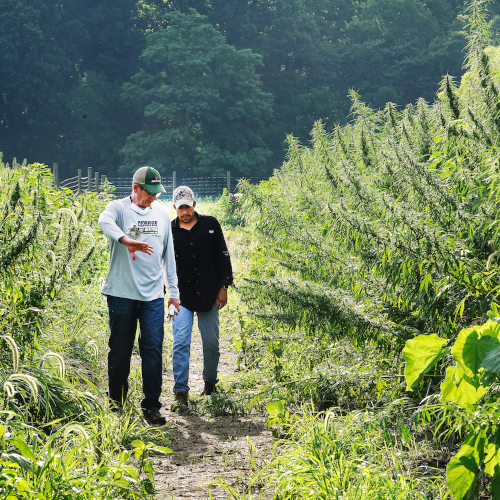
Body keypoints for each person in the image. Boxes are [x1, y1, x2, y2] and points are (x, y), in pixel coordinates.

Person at [98, 166, 180, 425]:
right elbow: (103, 221)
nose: (154, 197)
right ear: (136, 188)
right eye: (150, 192)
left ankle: (152, 406)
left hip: (153, 295)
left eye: (157, 192)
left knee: (153, 349)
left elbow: (169, 256)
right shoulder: (119, 208)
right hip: (121, 293)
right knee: (120, 349)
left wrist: (173, 293)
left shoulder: (162, 214)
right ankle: (117, 404)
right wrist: (125, 239)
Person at [171, 186, 233, 407]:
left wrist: (224, 286)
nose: (185, 212)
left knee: (211, 342)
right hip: (181, 295)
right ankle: (180, 391)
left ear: (194, 204)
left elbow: (223, 256)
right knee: (180, 342)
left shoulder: (211, 224)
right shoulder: (170, 231)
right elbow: (163, 263)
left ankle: (210, 383)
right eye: (181, 208)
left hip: (209, 292)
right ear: (174, 208)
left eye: (188, 207)